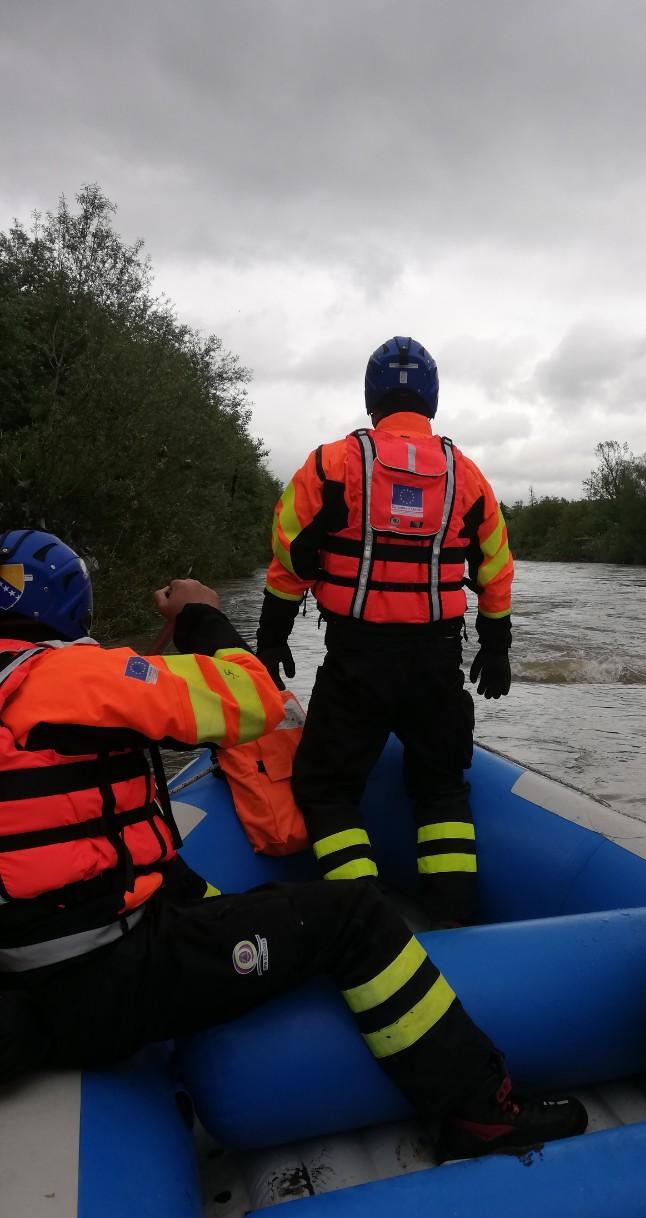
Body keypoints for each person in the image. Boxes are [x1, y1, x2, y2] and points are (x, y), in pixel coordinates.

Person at [0, 527, 587, 1160]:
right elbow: (256, 702)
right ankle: (480, 1112)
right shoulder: (72, 678)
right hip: (106, 975)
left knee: (185, 881)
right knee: (356, 915)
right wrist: (201, 614)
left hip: (33, 966)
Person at [255, 336, 513, 928]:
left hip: (355, 662)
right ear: (433, 397)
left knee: (327, 789)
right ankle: (453, 917)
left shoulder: (331, 463)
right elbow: (496, 569)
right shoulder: (467, 475)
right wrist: (496, 647)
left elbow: (290, 555)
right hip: (436, 662)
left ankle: (365, 919)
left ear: (371, 396)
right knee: (441, 787)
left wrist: (271, 638)